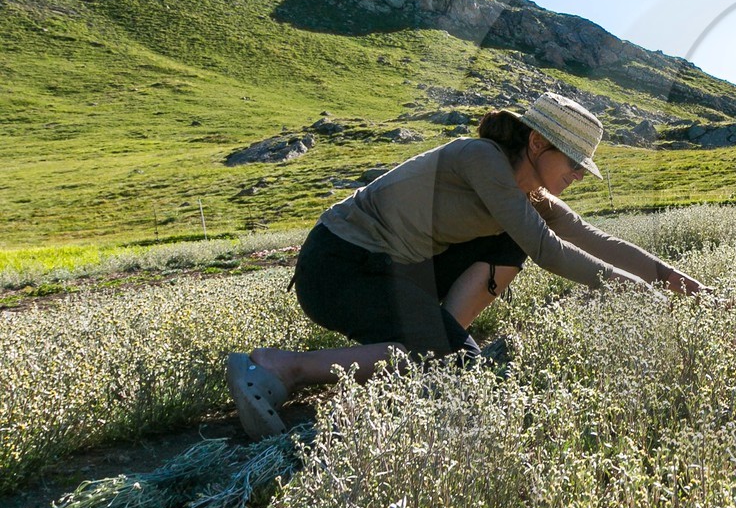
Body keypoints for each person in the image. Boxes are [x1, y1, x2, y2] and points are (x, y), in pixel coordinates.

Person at [227, 92, 707, 437]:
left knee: (507, 245)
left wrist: (670, 280)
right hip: (338, 267)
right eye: (575, 161)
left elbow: (587, 237)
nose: (580, 173)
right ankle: (282, 366)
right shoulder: (483, 159)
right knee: (463, 357)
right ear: (537, 144)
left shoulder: (528, 192)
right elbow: (551, 252)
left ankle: (435, 348)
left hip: (390, 270)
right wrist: (638, 293)